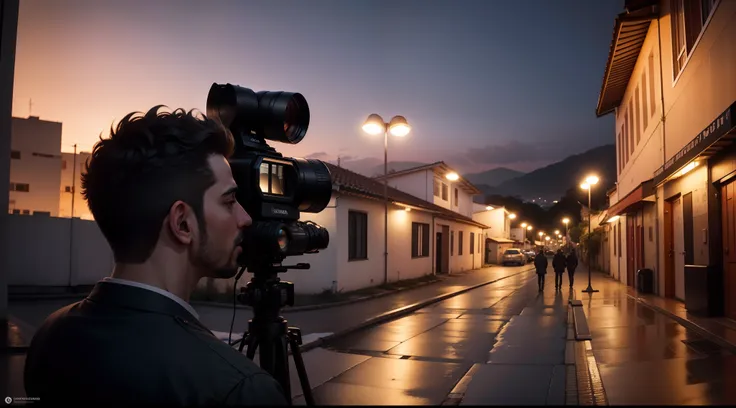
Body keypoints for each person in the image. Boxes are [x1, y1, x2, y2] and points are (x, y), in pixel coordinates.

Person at [24, 106, 289, 405]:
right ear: (182, 223)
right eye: (229, 201)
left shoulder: (49, 336)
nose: (245, 218)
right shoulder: (241, 390)